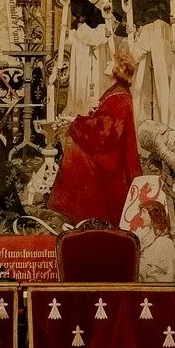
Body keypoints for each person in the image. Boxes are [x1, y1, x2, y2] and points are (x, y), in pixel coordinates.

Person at [51, 47, 141, 225]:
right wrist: (94, 111)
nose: (107, 63)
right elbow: (104, 121)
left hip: (111, 158)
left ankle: (78, 211)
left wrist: (77, 122)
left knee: (73, 152)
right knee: (72, 147)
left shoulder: (121, 97)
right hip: (109, 150)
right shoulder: (116, 91)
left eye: (111, 62)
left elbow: (105, 133)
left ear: (118, 69)